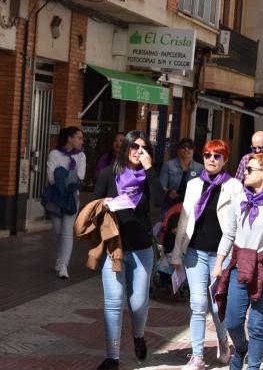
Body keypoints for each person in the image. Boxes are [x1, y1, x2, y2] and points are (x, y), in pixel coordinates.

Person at [213, 153, 263, 370]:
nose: (245, 173)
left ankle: (253, 367)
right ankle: (241, 349)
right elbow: (229, 234)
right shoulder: (240, 199)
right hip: (238, 266)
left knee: (257, 325)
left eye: (250, 169)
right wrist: (219, 262)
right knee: (232, 321)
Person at [92, 130, 165, 370]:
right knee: (113, 302)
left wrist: (150, 169)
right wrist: (104, 205)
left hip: (142, 249)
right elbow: (93, 206)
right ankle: (112, 356)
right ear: (125, 148)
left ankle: (138, 335)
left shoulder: (147, 177)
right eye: (134, 146)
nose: (138, 151)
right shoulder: (107, 174)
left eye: (143, 148)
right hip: (114, 249)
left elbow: (158, 202)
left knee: (137, 303)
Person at [171, 140, 244, 369]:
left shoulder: (234, 186)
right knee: (198, 304)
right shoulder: (193, 184)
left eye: (217, 156)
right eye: (207, 155)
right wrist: (176, 255)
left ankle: (223, 341)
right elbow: (184, 220)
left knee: (215, 305)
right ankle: (198, 356)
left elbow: (238, 225)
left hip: (220, 256)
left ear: (225, 159)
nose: (211, 159)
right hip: (194, 253)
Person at [46, 127, 86, 279]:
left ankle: (64, 265)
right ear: (70, 138)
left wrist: (61, 174)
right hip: (55, 197)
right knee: (57, 231)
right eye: (79, 138)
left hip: (71, 197)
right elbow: (51, 177)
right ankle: (60, 257)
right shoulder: (54, 154)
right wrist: (67, 176)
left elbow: (81, 176)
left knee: (67, 230)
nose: (81, 141)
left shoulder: (81, 156)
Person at [159, 138, 204, 210]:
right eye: (183, 147)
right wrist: (168, 192)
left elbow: (203, 188)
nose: (186, 149)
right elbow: (161, 186)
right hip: (170, 204)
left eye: (190, 147)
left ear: (193, 151)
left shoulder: (200, 168)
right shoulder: (168, 165)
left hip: (191, 206)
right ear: (178, 150)